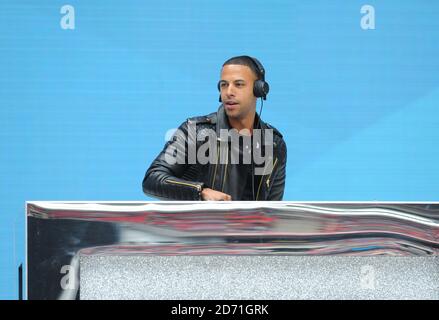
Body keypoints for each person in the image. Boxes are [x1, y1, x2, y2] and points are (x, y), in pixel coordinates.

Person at [142, 55, 287, 201]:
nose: (229, 92)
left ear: (259, 90)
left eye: (239, 84)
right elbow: (152, 179)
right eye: (224, 84)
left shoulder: (274, 144)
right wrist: (200, 192)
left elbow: (272, 211)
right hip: (201, 223)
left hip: (248, 224)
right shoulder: (195, 131)